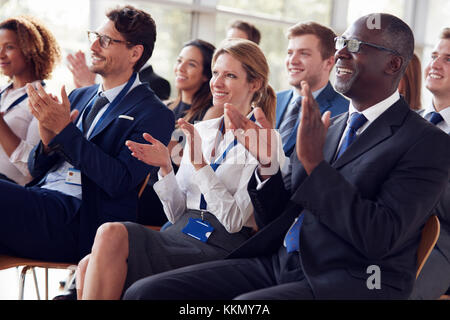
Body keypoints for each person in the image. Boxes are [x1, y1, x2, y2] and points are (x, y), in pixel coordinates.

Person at [123, 13, 450, 300]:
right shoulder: (330, 127)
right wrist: (267, 165)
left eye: (354, 45)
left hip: (349, 278)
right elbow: (279, 215)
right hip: (281, 261)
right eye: (340, 42)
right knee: (145, 292)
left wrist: (314, 165)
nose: (339, 53)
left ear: (393, 63)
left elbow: (380, 236)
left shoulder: (426, 141)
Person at [75, 38, 283, 300]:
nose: (217, 83)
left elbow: (232, 223)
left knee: (111, 232)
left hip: (220, 245)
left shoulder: (267, 142)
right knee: (86, 264)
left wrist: (199, 163)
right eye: (216, 73)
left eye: (230, 75)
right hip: (180, 231)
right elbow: (175, 213)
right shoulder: (203, 130)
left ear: (255, 84)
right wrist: (165, 168)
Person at [0, 5, 174, 264]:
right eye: (95, 37)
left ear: (134, 53)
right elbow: (37, 169)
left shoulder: (154, 113)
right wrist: (48, 137)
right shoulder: (80, 95)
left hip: (80, 221)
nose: (93, 47)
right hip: (42, 200)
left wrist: (65, 132)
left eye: (105, 41)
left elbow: (119, 181)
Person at [138, 39, 216, 226]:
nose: (181, 68)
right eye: (179, 61)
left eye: (191, 64)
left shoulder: (211, 112)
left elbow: (189, 159)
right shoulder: (166, 106)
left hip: (174, 195)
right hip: (148, 184)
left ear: (206, 75)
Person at [410, 27, 450, 300]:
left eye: (448, 59)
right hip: (385, 235)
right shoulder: (404, 122)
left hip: (439, 245)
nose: (435, 63)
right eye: (434, 55)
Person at [0, 16, 60, 186]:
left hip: (11, 189)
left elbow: (32, 169)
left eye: (9, 47)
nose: (1, 54)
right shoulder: (3, 93)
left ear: (31, 50)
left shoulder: (44, 101)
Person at [277, 21, 349, 157]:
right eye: (289, 52)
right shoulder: (272, 101)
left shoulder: (345, 114)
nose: (292, 60)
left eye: (304, 54)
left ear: (329, 62)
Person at [67, 52, 171, 101]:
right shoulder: (112, 80)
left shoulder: (158, 84)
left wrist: (88, 85)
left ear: (135, 53)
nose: (95, 48)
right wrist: (83, 91)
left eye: (108, 41)